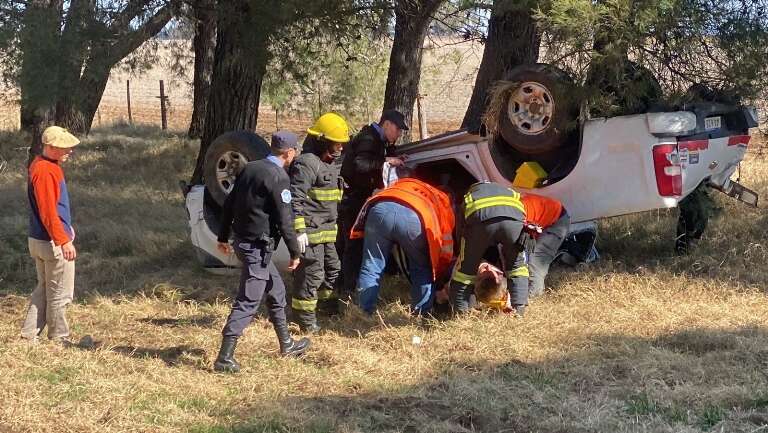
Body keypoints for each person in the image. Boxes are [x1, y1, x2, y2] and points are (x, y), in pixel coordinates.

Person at [213, 131, 310, 373]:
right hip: (257, 248)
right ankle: (224, 357)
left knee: (276, 291)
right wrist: (295, 253)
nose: (295, 155)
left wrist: (223, 236)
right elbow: (285, 221)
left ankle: (286, 344)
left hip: (244, 243)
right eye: (295, 151)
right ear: (288, 153)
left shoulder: (251, 168)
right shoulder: (279, 177)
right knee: (247, 301)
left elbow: (229, 203)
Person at [350, 177, 455, 315]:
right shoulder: (443, 201)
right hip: (414, 216)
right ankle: (422, 314)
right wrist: (439, 279)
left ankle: (362, 314)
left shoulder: (410, 183)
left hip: (379, 209)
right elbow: (445, 247)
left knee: (371, 266)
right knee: (422, 268)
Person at [338, 109, 409, 299]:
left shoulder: (379, 141)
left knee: (358, 243)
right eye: (398, 129)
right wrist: (386, 160)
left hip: (362, 198)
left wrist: (394, 158)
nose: (399, 134)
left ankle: (350, 286)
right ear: (386, 125)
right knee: (353, 243)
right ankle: (347, 289)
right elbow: (361, 164)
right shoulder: (368, 138)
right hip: (353, 199)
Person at [289, 113, 349, 332]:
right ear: (323, 141)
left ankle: (326, 307)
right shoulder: (306, 164)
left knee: (333, 269)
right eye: (337, 144)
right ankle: (304, 319)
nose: (340, 148)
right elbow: (295, 199)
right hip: (311, 234)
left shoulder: (328, 164)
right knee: (311, 274)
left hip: (326, 233)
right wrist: (299, 231)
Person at [21, 126, 80, 343]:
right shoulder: (47, 171)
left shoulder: (40, 164)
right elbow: (48, 211)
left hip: (38, 239)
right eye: (65, 147)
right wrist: (63, 240)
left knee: (44, 289)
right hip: (51, 243)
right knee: (60, 293)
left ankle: (28, 334)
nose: (70, 150)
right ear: (51, 147)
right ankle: (59, 339)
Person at [449, 182, 530, 316]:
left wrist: (464, 255)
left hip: (481, 221)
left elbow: (462, 231)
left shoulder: (469, 195)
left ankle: (460, 314)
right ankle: (519, 310)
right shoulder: (508, 191)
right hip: (513, 221)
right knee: (517, 266)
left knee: (464, 273)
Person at [520, 193, 570, 297]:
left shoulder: (519, 217)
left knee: (536, 260)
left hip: (557, 221)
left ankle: (535, 297)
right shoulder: (509, 211)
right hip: (541, 220)